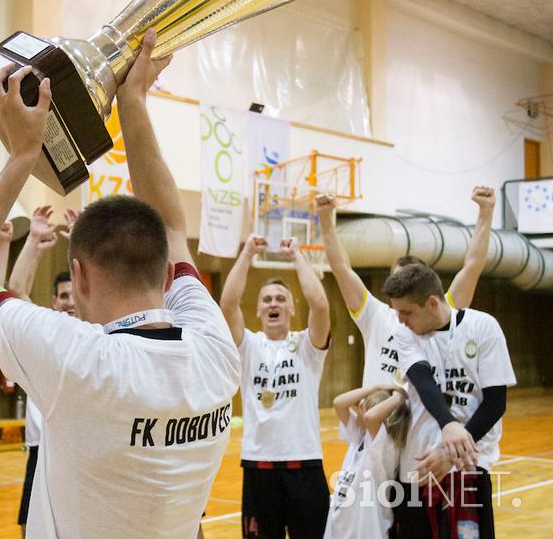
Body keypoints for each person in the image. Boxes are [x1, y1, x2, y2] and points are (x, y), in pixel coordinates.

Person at [0, 29, 241, 537]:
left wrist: (22, 155)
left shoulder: (77, 359)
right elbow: (175, 227)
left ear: (79, 274)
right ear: (167, 274)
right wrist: (133, 100)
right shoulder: (214, 347)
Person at [384, 264, 515, 539]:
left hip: (467, 468)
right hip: (416, 470)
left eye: (407, 312)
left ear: (432, 302)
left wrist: (449, 452)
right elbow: (423, 380)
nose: (401, 320)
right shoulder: (404, 334)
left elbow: (495, 403)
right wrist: (448, 424)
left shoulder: (483, 326)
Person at [316, 187, 494, 387]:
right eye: (397, 279)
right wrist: (326, 220)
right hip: (378, 416)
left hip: (424, 417)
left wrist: (485, 212)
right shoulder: (375, 315)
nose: (401, 286)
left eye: (409, 281)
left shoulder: (442, 312)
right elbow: (341, 268)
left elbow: (472, 267)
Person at [219, 234, 332, 539]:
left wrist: (297, 255)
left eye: (280, 299)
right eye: (266, 299)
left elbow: (320, 306)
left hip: (304, 465)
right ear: (257, 311)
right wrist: (245, 254)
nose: (273, 303)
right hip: (259, 467)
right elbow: (228, 304)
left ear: (292, 308)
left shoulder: (307, 347)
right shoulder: (250, 346)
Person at [5, 207, 74, 537]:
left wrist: (82, 246)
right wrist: (32, 241)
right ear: (53, 302)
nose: (70, 302)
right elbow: (16, 291)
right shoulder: (47, 332)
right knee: (28, 525)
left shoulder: (100, 333)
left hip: (79, 447)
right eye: (63, 296)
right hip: (41, 447)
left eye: (75, 294)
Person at [323, 384, 409, 538]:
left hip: (366, 531)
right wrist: (375, 387)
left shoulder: (384, 445)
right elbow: (339, 403)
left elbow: (371, 417)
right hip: (340, 527)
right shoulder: (358, 436)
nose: (359, 406)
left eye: (364, 405)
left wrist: (399, 396)